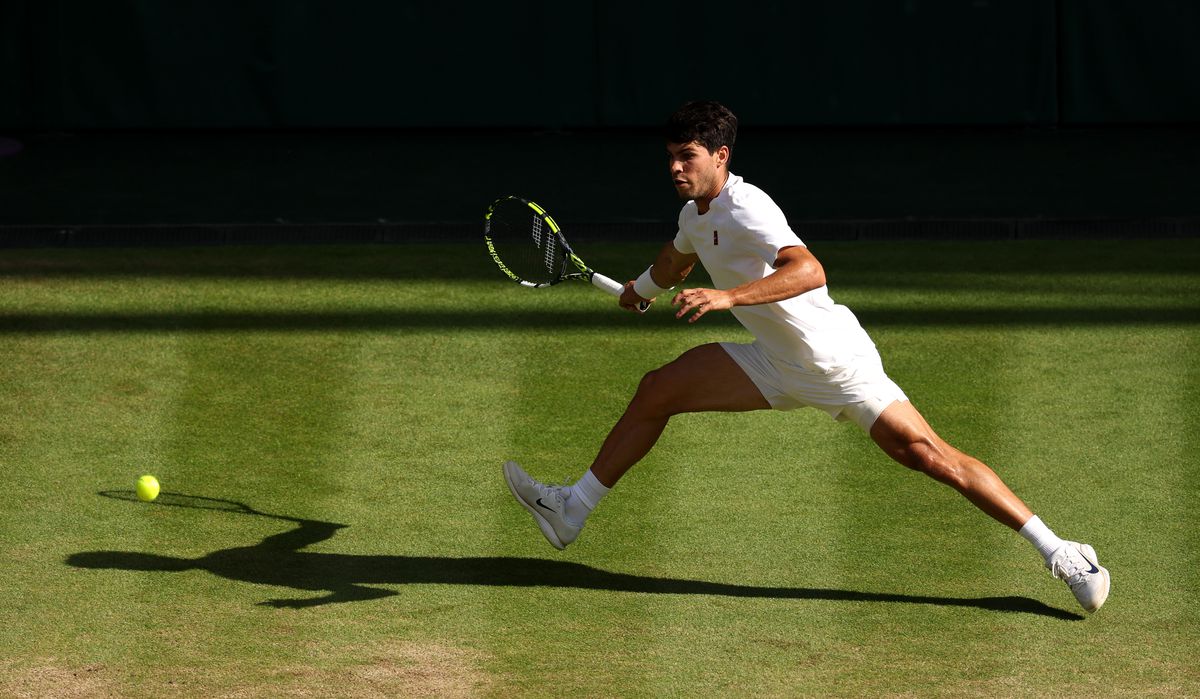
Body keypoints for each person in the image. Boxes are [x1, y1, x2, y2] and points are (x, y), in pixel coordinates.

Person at [503, 100, 1110, 613]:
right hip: (774, 361)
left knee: (931, 457)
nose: (675, 167)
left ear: (721, 157)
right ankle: (571, 509)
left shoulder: (750, 207)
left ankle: (1061, 551)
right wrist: (641, 291)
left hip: (834, 361)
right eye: (670, 156)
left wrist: (728, 296)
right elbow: (675, 259)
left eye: (687, 156)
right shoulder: (695, 214)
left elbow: (809, 268)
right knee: (658, 388)